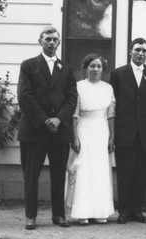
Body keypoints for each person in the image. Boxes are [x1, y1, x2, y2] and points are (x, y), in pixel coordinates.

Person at [17, 26, 78, 230]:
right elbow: (25, 97)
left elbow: (71, 98)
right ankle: (31, 216)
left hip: (59, 131)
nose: (52, 43)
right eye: (48, 39)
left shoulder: (67, 69)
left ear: (59, 43)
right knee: (31, 175)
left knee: (59, 174)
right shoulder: (28, 66)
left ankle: (58, 215)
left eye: (55, 40)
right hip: (34, 130)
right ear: (40, 41)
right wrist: (45, 120)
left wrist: (59, 119)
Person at [109, 38, 146, 224]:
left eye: (144, 51)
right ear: (130, 51)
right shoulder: (118, 74)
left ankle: (137, 210)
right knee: (125, 171)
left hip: (145, 132)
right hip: (126, 131)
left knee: (141, 172)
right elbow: (113, 101)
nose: (140, 54)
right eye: (137, 50)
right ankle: (123, 211)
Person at [65, 53, 115, 225]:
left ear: (103, 69)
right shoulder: (78, 87)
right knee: (84, 170)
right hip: (84, 129)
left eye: (98, 66)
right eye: (92, 66)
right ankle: (82, 212)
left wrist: (112, 136)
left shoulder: (108, 88)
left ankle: (100, 211)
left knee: (100, 170)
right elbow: (74, 114)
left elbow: (111, 114)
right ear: (85, 68)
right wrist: (75, 137)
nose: (95, 69)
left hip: (101, 131)